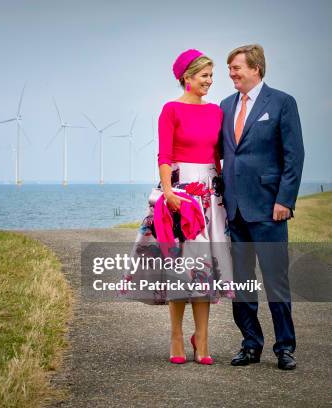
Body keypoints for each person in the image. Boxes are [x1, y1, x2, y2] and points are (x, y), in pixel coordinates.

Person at [125, 49, 234, 365]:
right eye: (204, 76)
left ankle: (202, 340)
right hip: (179, 191)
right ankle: (176, 336)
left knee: (203, 271)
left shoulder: (215, 112)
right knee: (179, 270)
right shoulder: (170, 110)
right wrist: (169, 192)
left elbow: (217, 157)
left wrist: (222, 192)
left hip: (209, 195)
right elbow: (164, 155)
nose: (209, 82)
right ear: (187, 77)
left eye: (212, 76)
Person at [219, 44, 304, 370]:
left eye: (236, 67)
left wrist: (285, 199)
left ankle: (285, 347)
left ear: (255, 68)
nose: (231, 74)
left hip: (270, 210)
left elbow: (294, 156)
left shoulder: (282, 103)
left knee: (275, 281)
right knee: (241, 283)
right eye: (229, 69)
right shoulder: (225, 106)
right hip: (235, 211)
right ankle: (250, 344)